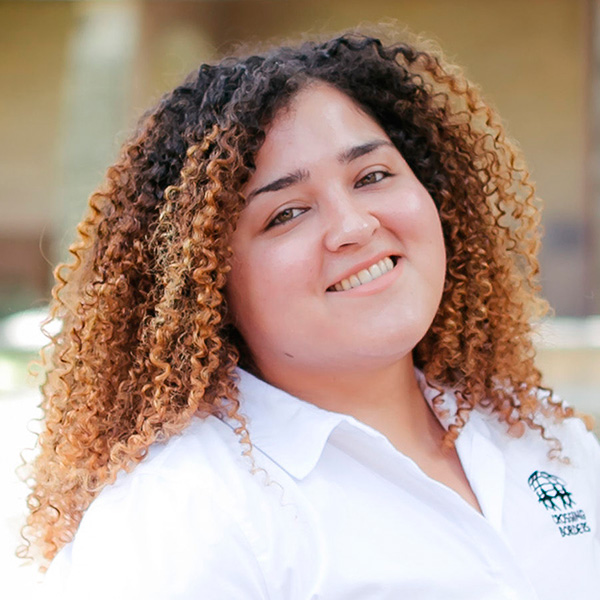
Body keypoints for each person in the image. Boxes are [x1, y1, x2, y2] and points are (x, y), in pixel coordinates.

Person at [22, 30, 600, 599]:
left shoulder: (543, 437)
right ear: (205, 280)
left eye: (372, 176)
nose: (354, 227)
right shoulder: (183, 515)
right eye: (287, 213)